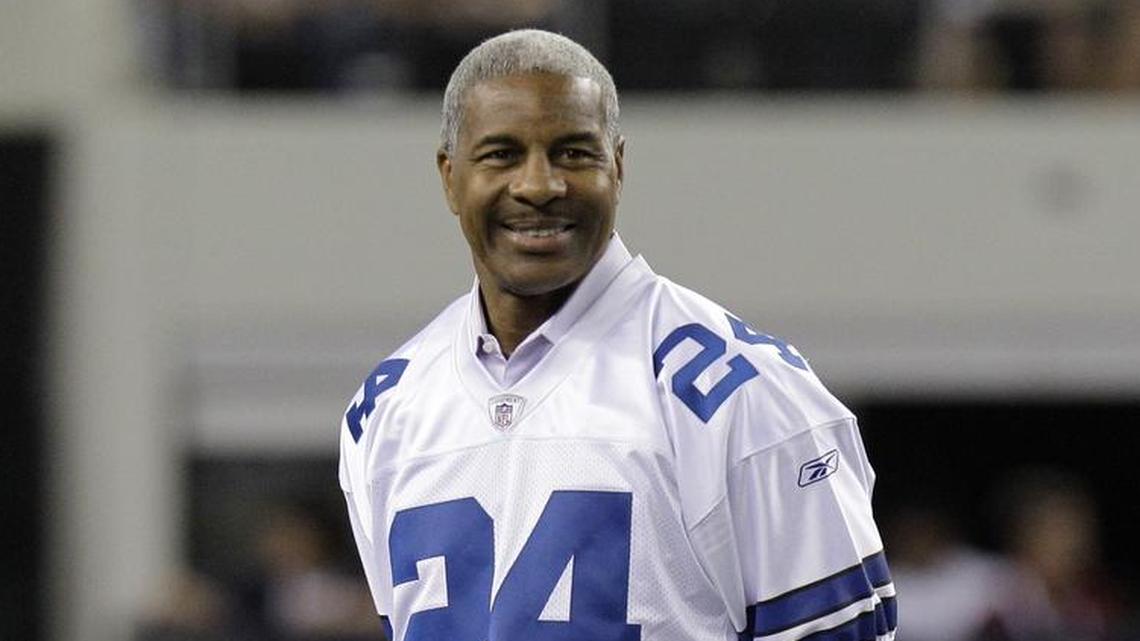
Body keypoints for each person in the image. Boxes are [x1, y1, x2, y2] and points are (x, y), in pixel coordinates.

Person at [338, 29, 897, 641]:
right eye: (501, 154)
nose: (539, 185)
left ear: (618, 166)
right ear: (450, 176)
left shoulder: (749, 394)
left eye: (574, 153)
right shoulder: (387, 408)